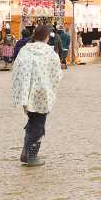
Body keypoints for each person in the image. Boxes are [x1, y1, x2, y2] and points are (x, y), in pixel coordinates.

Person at [11, 24, 64, 166]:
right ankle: (31, 157)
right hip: (43, 93)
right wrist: (50, 87)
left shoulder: (25, 50)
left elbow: (16, 69)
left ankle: (25, 153)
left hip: (26, 93)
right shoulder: (50, 53)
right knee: (39, 125)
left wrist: (21, 90)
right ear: (47, 37)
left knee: (33, 121)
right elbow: (57, 75)